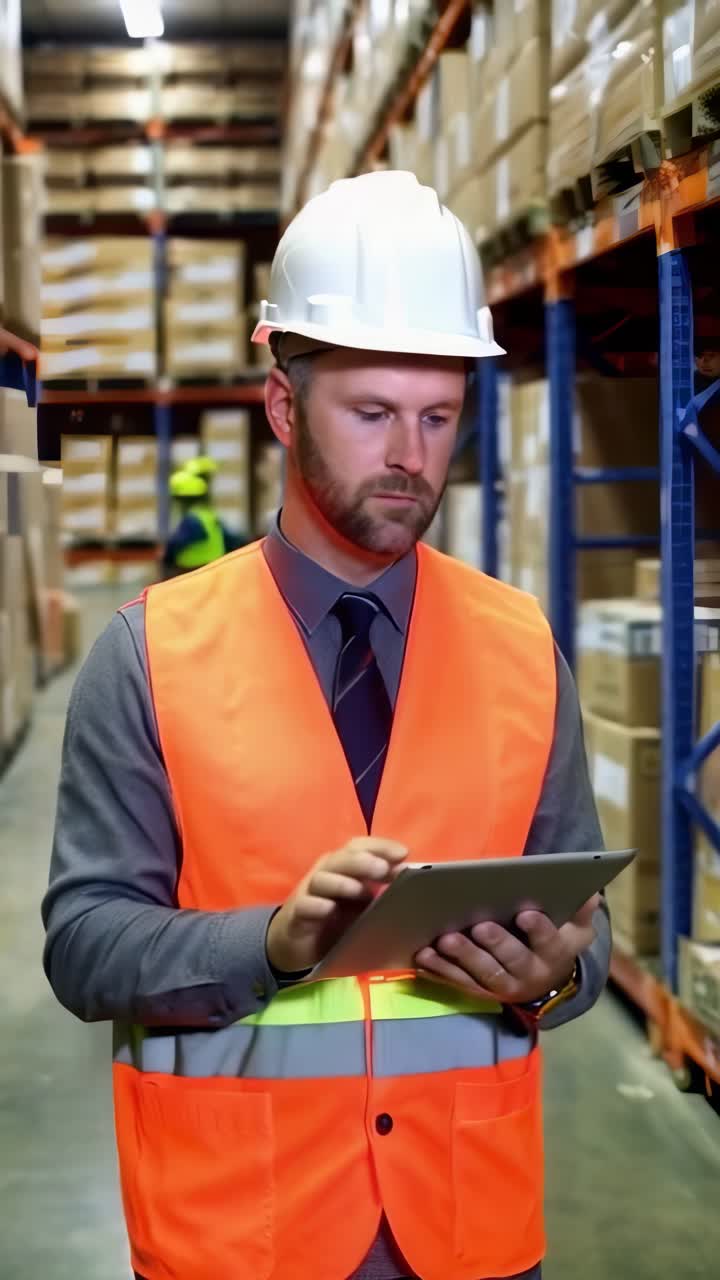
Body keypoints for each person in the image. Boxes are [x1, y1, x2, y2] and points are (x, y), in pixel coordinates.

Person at [43, 171, 610, 1280]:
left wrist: (545, 973)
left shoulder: (519, 645)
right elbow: (85, 944)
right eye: (371, 413)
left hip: (469, 1225)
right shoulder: (150, 651)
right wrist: (267, 944)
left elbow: (580, 943)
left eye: (437, 416)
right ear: (283, 405)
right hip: (240, 1232)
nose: (410, 453)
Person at [162, 465, 245, 576]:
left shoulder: (193, 519)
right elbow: (232, 540)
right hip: (214, 569)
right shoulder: (209, 516)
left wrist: (167, 556)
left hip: (193, 571)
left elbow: (179, 542)